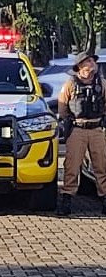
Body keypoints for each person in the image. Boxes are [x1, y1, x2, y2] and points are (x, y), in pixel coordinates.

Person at [57, 51, 106, 216]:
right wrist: (68, 123)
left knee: (101, 165)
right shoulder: (71, 84)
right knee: (72, 166)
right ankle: (67, 199)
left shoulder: (102, 83)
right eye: (88, 61)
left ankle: (104, 198)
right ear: (80, 66)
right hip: (77, 129)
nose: (92, 63)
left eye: (92, 60)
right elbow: (62, 108)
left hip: (97, 129)